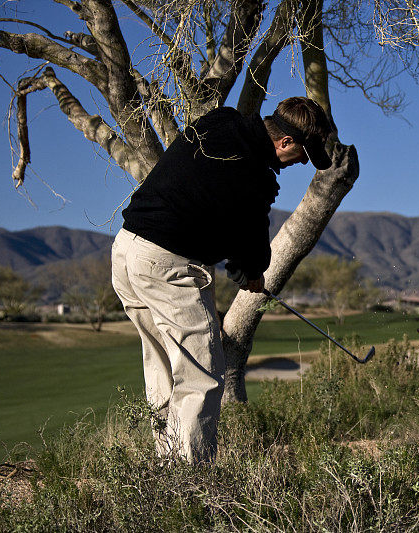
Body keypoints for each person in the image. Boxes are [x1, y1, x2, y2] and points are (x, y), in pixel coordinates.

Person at [111, 97, 333, 463]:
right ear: (286, 143)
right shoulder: (255, 177)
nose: (303, 163)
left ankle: (164, 470)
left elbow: (212, 199)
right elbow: (250, 254)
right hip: (166, 263)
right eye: (304, 154)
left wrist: (242, 264)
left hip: (126, 249)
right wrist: (251, 274)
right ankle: (190, 486)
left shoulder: (221, 120)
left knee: (165, 366)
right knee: (202, 376)